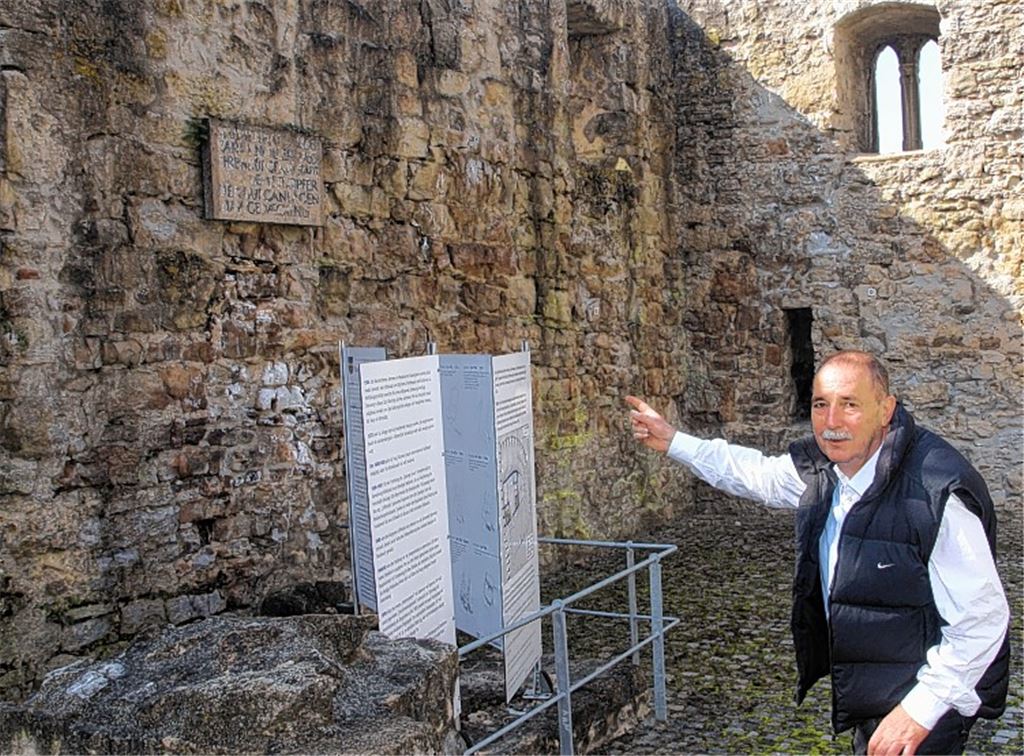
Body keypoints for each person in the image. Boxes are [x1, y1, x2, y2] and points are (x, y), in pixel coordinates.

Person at [626, 350, 1009, 755]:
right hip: (873, 692)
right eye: (821, 405)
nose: (832, 423)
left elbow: (983, 619)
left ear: (885, 410)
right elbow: (757, 474)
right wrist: (673, 442)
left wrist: (917, 712)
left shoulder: (934, 493)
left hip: (922, 705)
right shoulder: (828, 471)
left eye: (850, 405)